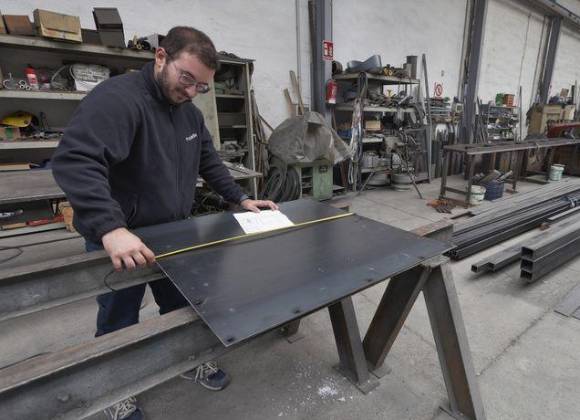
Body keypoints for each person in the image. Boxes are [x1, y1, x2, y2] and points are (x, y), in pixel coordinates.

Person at [52, 26, 277, 420]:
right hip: (122, 236)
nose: (191, 91)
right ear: (160, 57)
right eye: (186, 78)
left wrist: (239, 198)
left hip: (173, 230)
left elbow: (209, 161)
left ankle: (187, 359)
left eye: (200, 86)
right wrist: (110, 228)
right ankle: (114, 389)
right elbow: (76, 160)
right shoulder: (117, 100)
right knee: (120, 316)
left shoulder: (188, 114)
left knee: (181, 306)